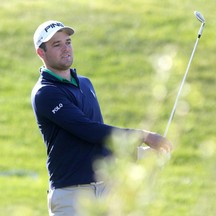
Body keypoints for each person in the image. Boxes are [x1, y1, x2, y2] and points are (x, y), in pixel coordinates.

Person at [31, 20, 172, 216]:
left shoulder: (85, 83)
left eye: (68, 42)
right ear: (41, 53)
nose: (66, 49)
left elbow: (98, 137)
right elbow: (89, 131)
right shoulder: (45, 93)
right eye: (57, 44)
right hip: (72, 196)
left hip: (107, 189)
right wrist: (145, 136)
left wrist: (139, 154)